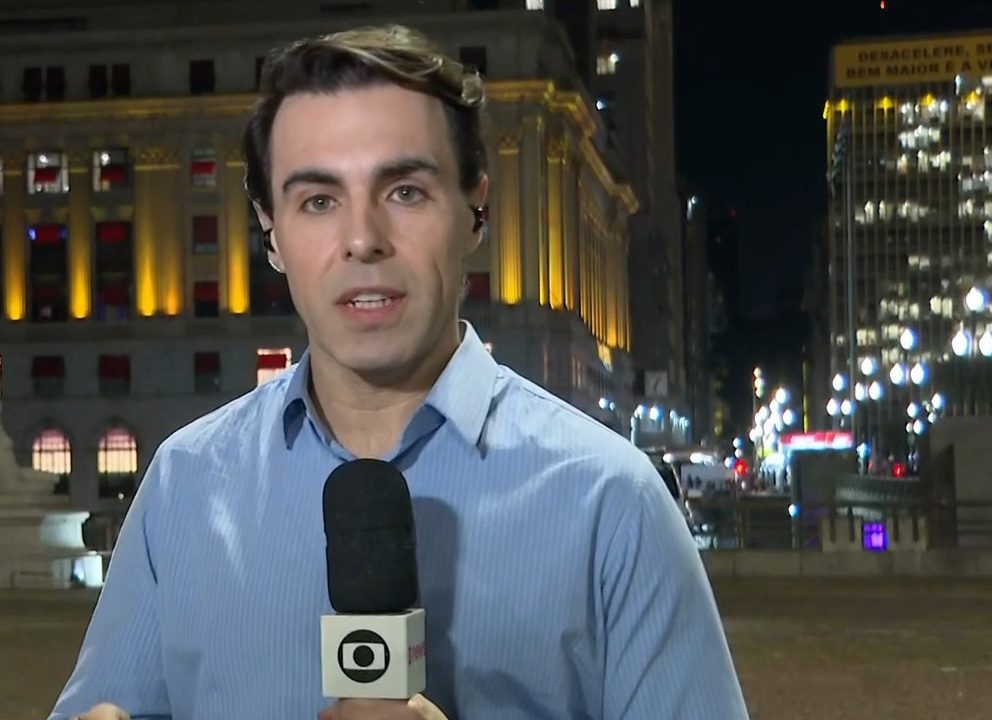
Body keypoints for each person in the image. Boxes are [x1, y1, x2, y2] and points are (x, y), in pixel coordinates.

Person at [50, 24, 748, 720]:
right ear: (271, 232)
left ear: (474, 210)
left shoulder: (613, 504)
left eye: (405, 192)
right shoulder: (184, 486)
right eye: (318, 201)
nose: (362, 239)